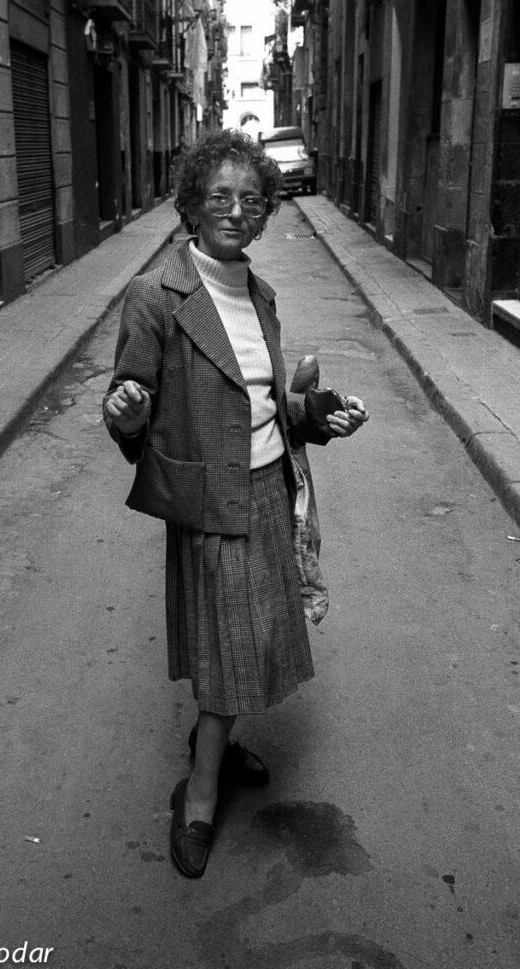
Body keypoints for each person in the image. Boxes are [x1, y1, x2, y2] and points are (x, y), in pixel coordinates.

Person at [103, 129, 368, 878]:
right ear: (192, 203)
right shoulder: (157, 296)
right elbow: (132, 406)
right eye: (219, 195)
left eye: (250, 200)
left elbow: (271, 403)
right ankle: (199, 796)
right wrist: (125, 412)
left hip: (267, 492)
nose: (235, 209)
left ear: (263, 215)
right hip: (208, 499)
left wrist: (318, 413)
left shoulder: (261, 294)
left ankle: (212, 746)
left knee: (246, 647)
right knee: (231, 656)